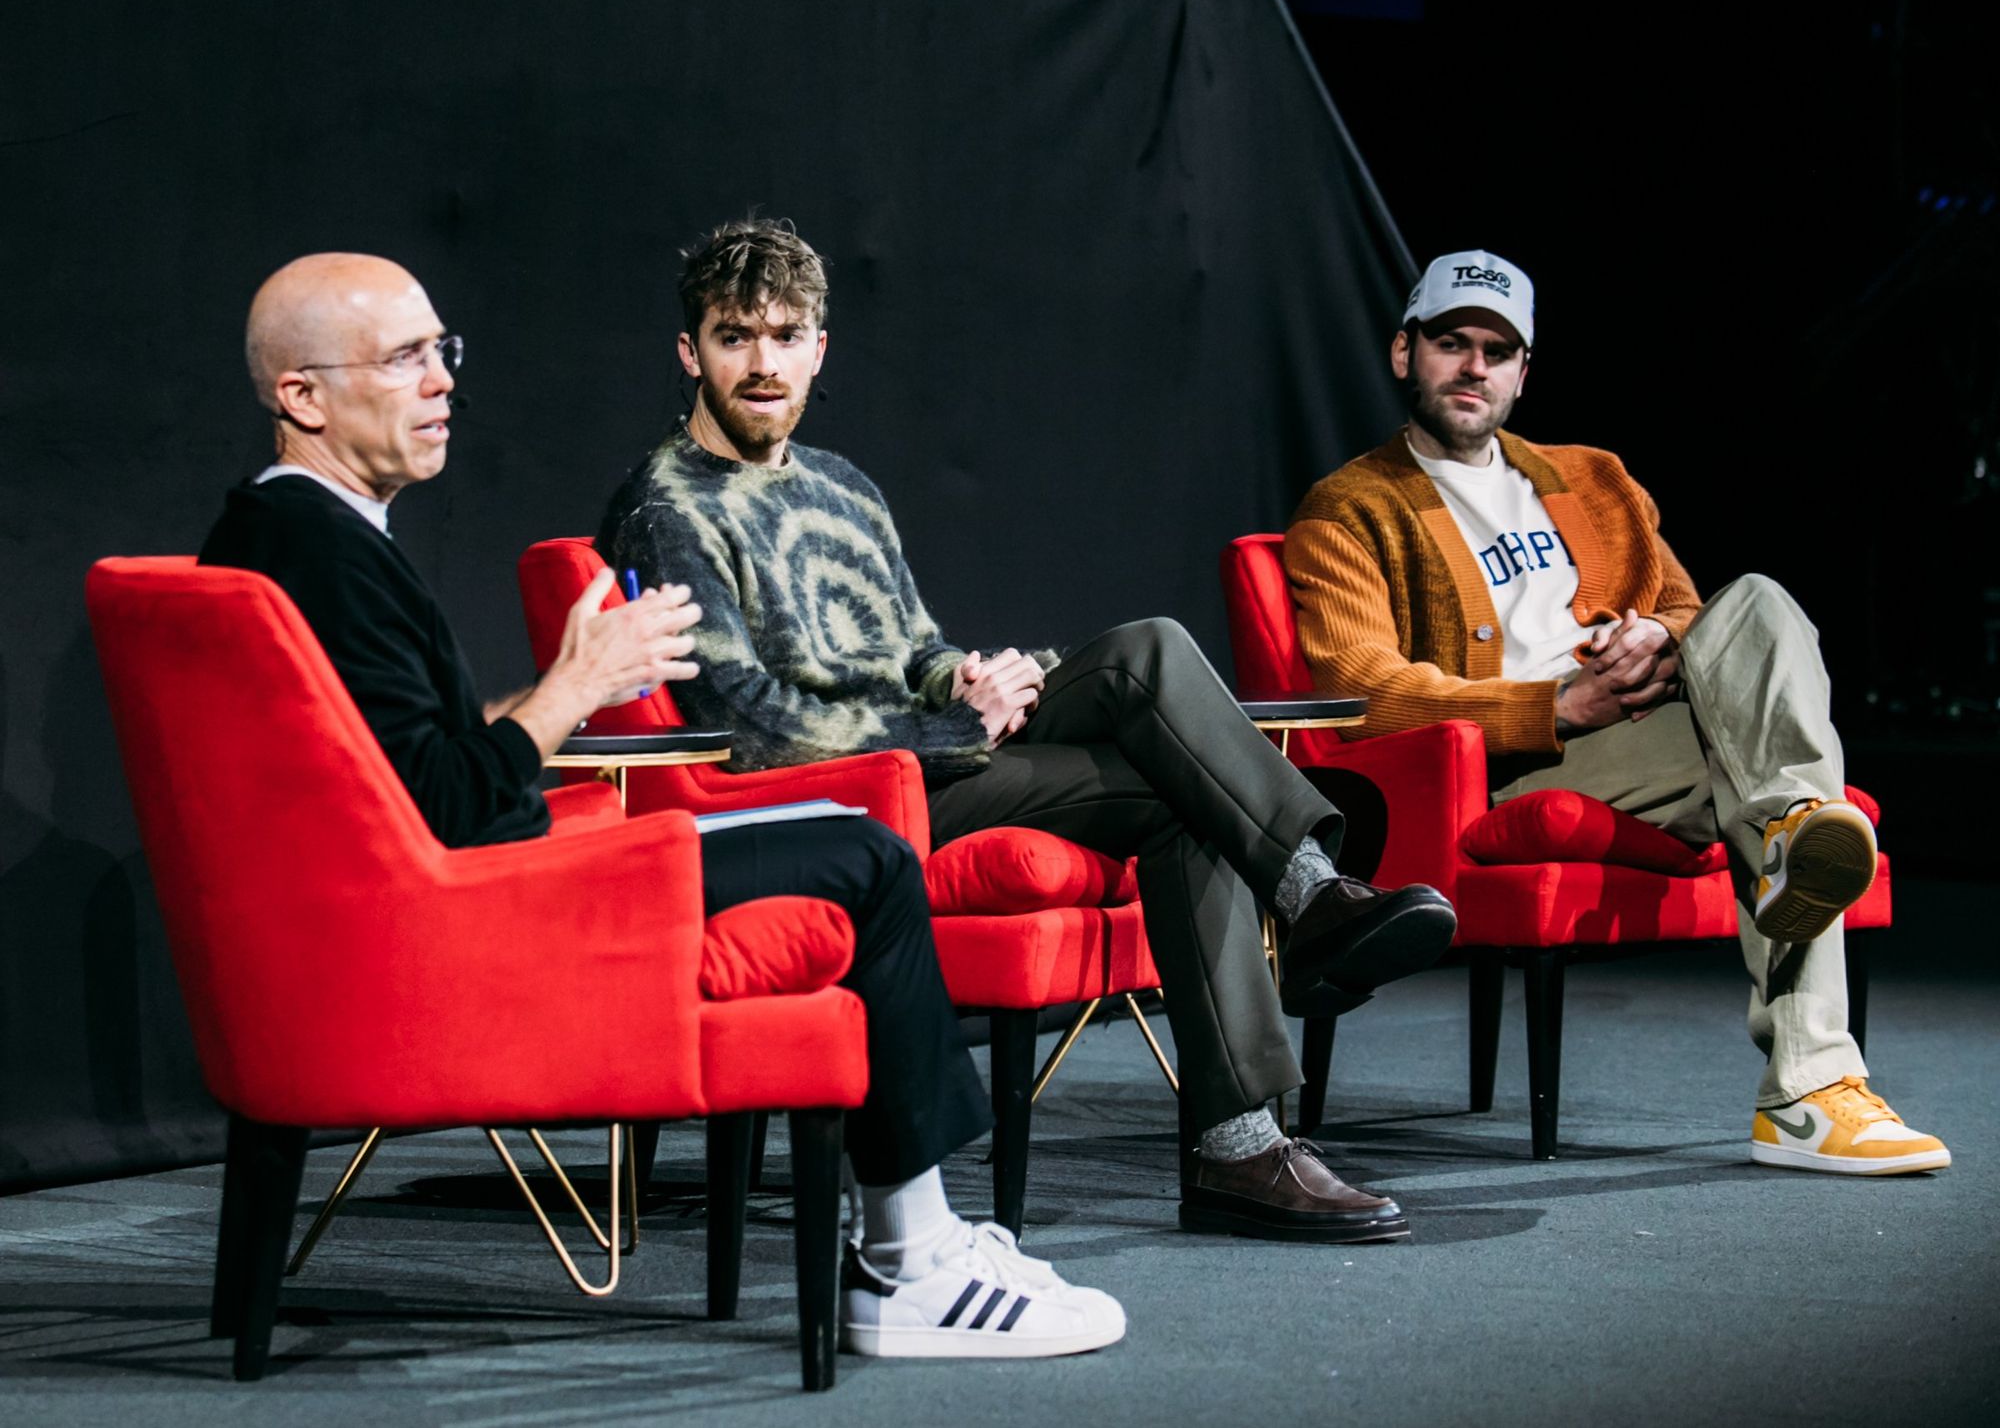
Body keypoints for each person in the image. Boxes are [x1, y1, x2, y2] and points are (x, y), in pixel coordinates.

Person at [199, 252, 1128, 1359]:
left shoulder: (292, 532)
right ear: (300, 394)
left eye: (442, 352)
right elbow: (446, 805)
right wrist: (575, 689)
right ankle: (911, 1264)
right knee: (868, 857)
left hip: (471, 880)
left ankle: (919, 1247)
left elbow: (401, 764)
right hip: (471, 910)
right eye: (404, 359)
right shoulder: (318, 548)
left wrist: (544, 705)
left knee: (847, 845)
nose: (443, 381)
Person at [597, 217, 1462, 1243]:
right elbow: (743, 730)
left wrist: (967, 674)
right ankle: (1299, 937)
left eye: (784, 336)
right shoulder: (667, 507)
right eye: (734, 336)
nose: (760, 362)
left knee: (1154, 672)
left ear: (818, 350)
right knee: (1188, 776)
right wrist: (953, 727)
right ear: (689, 352)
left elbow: (909, 646)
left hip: (927, 752)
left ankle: (1256, 1092)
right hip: (843, 800)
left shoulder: (844, 489)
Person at [1283, 248, 1948, 1175]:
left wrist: (1660, 642)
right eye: (1451, 343)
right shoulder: (1350, 509)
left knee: (1754, 601)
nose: (1473, 366)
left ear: (1523, 373)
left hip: (1655, 725)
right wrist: (1557, 704)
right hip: (1526, 760)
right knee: (1771, 778)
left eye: (1497, 351)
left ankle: (1795, 826)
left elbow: (1687, 608)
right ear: (1406, 353)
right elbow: (1364, 693)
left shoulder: (1592, 476)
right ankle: (1808, 1081)